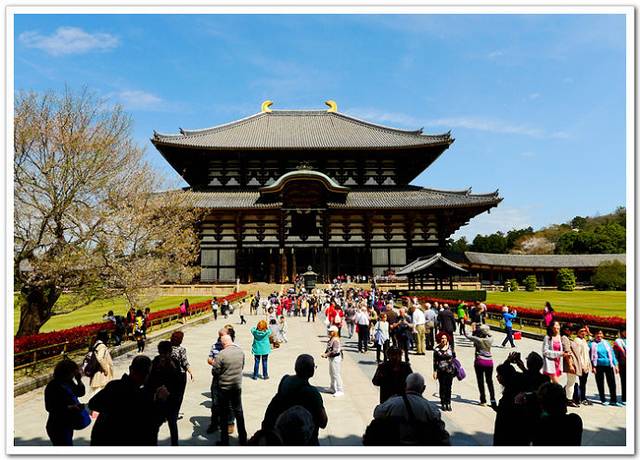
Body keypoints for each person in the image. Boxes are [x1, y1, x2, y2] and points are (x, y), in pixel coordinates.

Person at [89, 355, 167, 445]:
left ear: (130, 369)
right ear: (147, 375)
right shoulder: (143, 397)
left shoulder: (113, 386)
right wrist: (160, 401)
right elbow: (153, 425)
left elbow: (93, 404)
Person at [261, 354, 328, 445]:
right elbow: (323, 422)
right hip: (304, 440)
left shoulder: (285, 381)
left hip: (282, 435)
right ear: (311, 370)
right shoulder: (312, 393)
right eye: (314, 366)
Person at [368, 373, 450, 446]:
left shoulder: (392, 402)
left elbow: (377, 413)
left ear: (405, 386)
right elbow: (440, 431)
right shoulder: (431, 409)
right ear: (423, 389)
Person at [211, 335, 247, 445]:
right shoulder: (240, 352)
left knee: (224, 414)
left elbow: (215, 372)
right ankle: (243, 438)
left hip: (224, 388)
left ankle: (224, 440)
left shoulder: (221, 354)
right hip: (236, 386)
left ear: (223, 343)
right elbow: (242, 367)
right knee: (239, 413)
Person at [44, 359, 87, 446]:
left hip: (68, 423)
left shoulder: (69, 382)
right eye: (72, 373)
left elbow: (80, 393)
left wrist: (79, 380)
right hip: (57, 425)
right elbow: (49, 407)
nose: (73, 375)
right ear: (65, 373)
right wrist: (69, 407)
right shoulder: (53, 386)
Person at [148, 340, 182, 445]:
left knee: (165, 424)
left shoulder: (172, 363)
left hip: (165, 399)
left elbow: (150, 380)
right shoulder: (158, 362)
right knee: (168, 424)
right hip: (164, 399)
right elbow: (179, 381)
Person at [465, 324, 496, 407]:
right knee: (489, 381)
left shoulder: (478, 340)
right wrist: (487, 332)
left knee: (480, 381)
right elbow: (491, 335)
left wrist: (472, 329)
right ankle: (493, 400)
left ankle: (483, 400)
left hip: (480, 361)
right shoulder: (490, 340)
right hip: (489, 362)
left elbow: (467, 335)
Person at [589, 329, 620, 405]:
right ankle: (603, 399)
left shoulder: (606, 343)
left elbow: (612, 354)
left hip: (609, 365)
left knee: (612, 383)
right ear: (594, 335)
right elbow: (590, 357)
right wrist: (593, 367)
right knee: (600, 383)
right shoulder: (591, 344)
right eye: (597, 333)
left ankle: (613, 400)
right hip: (598, 366)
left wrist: (616, 365)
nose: (599, 335)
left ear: (602, 335)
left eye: (600, 333)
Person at [170, 331, 194, 422]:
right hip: (179, 375)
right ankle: (174, 414)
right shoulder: (181, 350)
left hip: (168, 374)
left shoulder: (167, 348)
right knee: (178, 395)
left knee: (170, 394)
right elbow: (184, 362)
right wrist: (191, 372)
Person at [433, 332, 456, 411]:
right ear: (439, 339)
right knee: (442, 387)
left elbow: (454, 357)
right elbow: (435, 361)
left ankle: (448, 402)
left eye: (445, 338)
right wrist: (434, 371)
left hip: (450, 371)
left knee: (449, 387)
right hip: (441, 371)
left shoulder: (450, 348)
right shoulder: (436, 349)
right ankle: (443, 402)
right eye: (442, 338)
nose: (444, 340)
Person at [560, 324, 581, 407]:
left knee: (571, 382)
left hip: (573, 363)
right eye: (569, 329)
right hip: (571, 363)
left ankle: (568, 398)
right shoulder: (564, 338)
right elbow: (567, 352)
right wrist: (570, 365)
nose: (571, 331)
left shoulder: (568, 338)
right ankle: (569, 399)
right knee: (571, 382)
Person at [321, 325, 344, 397]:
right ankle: (332, 387)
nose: (329, 332)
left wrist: (326, 354)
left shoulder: (335, 340)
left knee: (336, 374)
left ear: (334, 332)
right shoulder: (332, 338)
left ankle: (340, 390)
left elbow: (335, 350)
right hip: (332, 358)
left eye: (331, 331)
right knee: (331, 373)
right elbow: (329, 348)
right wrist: (326, 353)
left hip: (335, 358)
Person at [88, 331, 113, 395]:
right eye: (107, 335)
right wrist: (105, 369)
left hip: (96, 370)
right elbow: (100, 358)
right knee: (101, 391)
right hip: (101, 372)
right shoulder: (102, 346)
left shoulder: (95, 344)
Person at [573, 326, 593, 405]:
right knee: (582, 382)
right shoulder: (577, 340)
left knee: (583, 382)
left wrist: (589, 332)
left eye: (584, 331)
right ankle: (582, 398)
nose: (583, 333)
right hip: (582, 365)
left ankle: (583, 397)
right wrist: (582, 365)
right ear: (577, 332)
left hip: (586, 364)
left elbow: (592, 341)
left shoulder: (584, 340)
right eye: (581, 331)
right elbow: (578, 355)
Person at [613, 328, 626, 405]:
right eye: (625, 331)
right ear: (621, 332)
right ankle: (624, 398)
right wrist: (616, 365)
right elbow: (615, 355)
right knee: (624, 381)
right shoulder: (618, 341)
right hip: (623, 364)